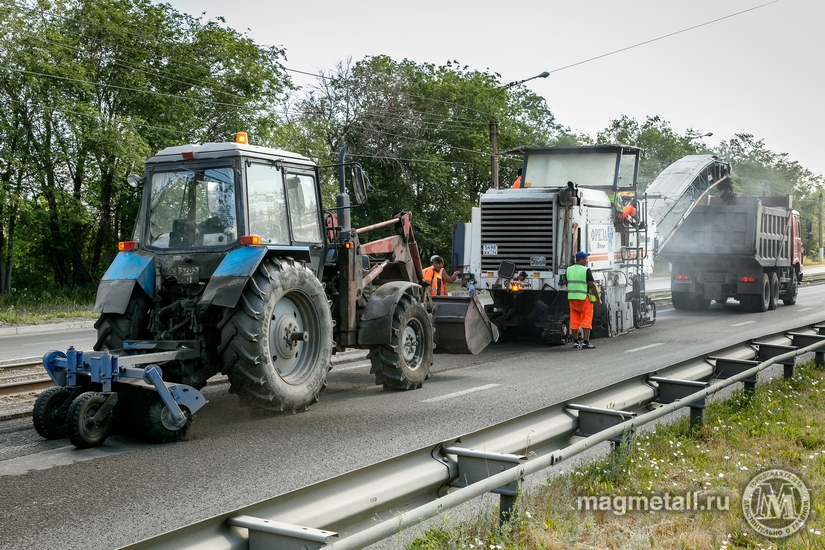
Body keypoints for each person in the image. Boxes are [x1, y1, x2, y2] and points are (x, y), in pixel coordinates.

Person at [565, 250, 602, 349]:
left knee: (574, 320)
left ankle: (576, 342)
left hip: (572, 298)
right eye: (585, 259)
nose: (586, 260)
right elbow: (592, 285)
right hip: (584, 298)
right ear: (580, 260)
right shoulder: (586, 270)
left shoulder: (569, 269)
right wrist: (598, 299)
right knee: (586, 319)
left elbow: (566, 282)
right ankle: (586, 342)